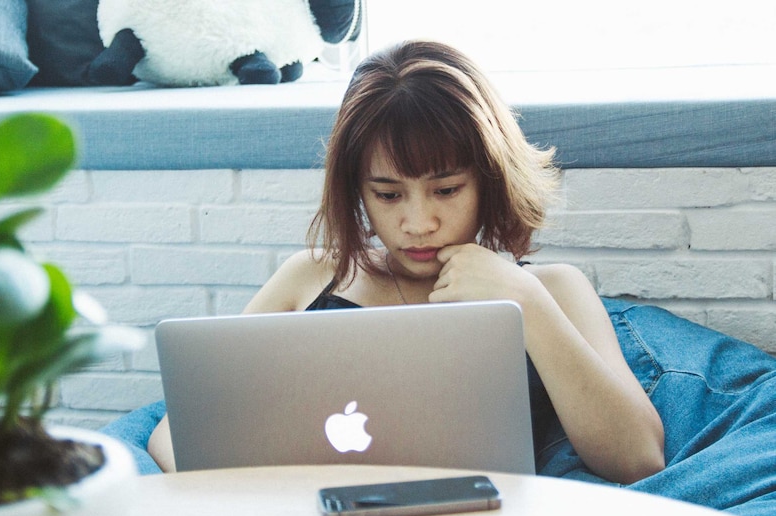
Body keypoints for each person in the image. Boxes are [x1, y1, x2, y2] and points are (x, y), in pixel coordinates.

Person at [148, 39, 666, 482]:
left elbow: (639, 458)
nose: (418, 223)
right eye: (389, 195)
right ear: (358, 193)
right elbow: (176, 437)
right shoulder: (312, 278)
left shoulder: (552, 289)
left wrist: (525, 301)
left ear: (490, 179)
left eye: (445, 190)